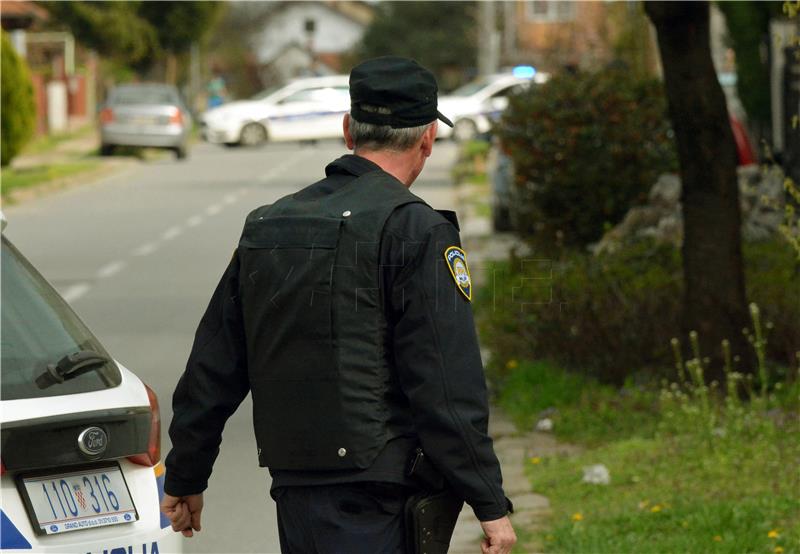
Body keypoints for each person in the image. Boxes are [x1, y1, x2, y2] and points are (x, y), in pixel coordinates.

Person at [161, 56, 517, 554]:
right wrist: (490, 502)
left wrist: (186, 471)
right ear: (428, 138)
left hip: (295, 491)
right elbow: (444, 380)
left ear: (348, 130)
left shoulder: (270, 226)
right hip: (382, 496)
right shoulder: (417, 232)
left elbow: (214, 364)